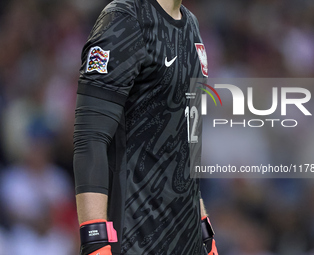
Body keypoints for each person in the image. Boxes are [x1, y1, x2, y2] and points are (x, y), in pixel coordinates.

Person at [73, 0, 218, 254]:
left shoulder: (192, 25)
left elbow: (185, 150)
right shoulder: (125, 18)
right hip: (133, 239)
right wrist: (94, 240)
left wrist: (205, 232)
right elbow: (90, 138)